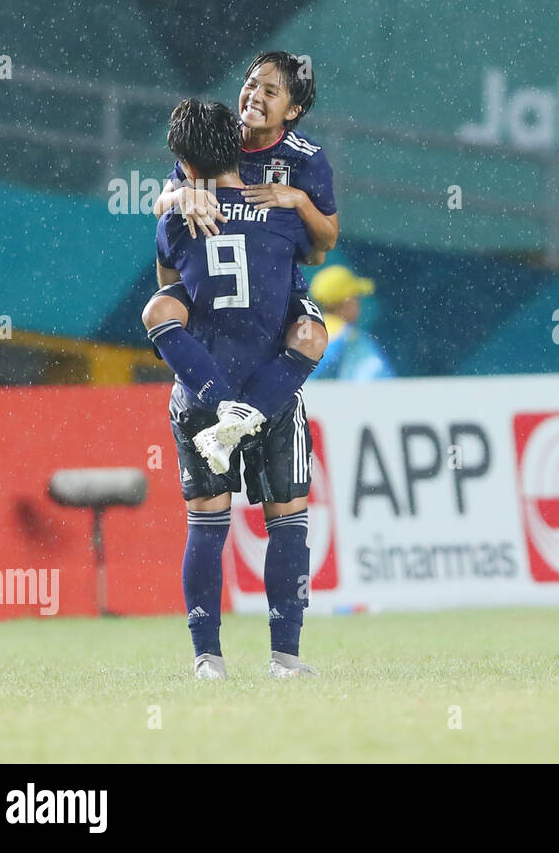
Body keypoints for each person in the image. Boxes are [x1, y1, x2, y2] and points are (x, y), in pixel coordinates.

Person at [149, 99, 324, 681]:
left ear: (180, 160)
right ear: (239, 144)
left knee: (206, 523)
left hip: (201, 389)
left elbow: (171, 286)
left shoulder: (176, 219)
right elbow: (315, 252)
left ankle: (208, 660)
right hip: (272, 384)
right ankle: (286, 659)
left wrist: (177, 198)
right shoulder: (281, 213)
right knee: (288, 519)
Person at [145, 51, 338, 388]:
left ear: (292, 111)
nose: (254, 97)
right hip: (211, 283)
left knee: (309, 336)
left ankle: (255, 407)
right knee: (161, 308)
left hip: (272, 286)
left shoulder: (305, 158)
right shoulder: (219, 136)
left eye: (270, 92)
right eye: (251, 85)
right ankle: (204, 387)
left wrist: (300, 200)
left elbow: (327, 242)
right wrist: (181, 195)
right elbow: (161, 205)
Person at [309, 265, 396, 380]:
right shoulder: (351, 337)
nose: (359, 303)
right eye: (356, 297)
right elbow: (376, 379)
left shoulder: (307, 334)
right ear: (346, 301)